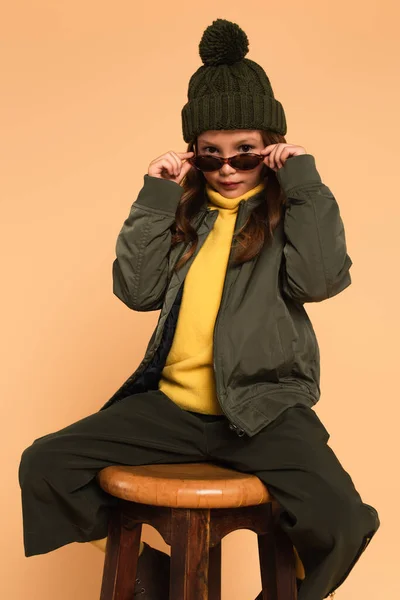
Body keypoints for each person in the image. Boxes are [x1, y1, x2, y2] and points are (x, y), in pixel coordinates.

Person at [18, 17, 380, 600]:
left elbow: (321, 279)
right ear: (194, 156)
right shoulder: (187, 216)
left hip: (263, 411)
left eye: (245, 153)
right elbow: (135, 291)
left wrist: (306, 181)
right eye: (211, 156)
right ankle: (154, 580)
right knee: (45, 466)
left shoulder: (292, 214)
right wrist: (155, 194)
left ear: (273, 151)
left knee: (341, 518)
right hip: (174, 411)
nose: (228, 169)